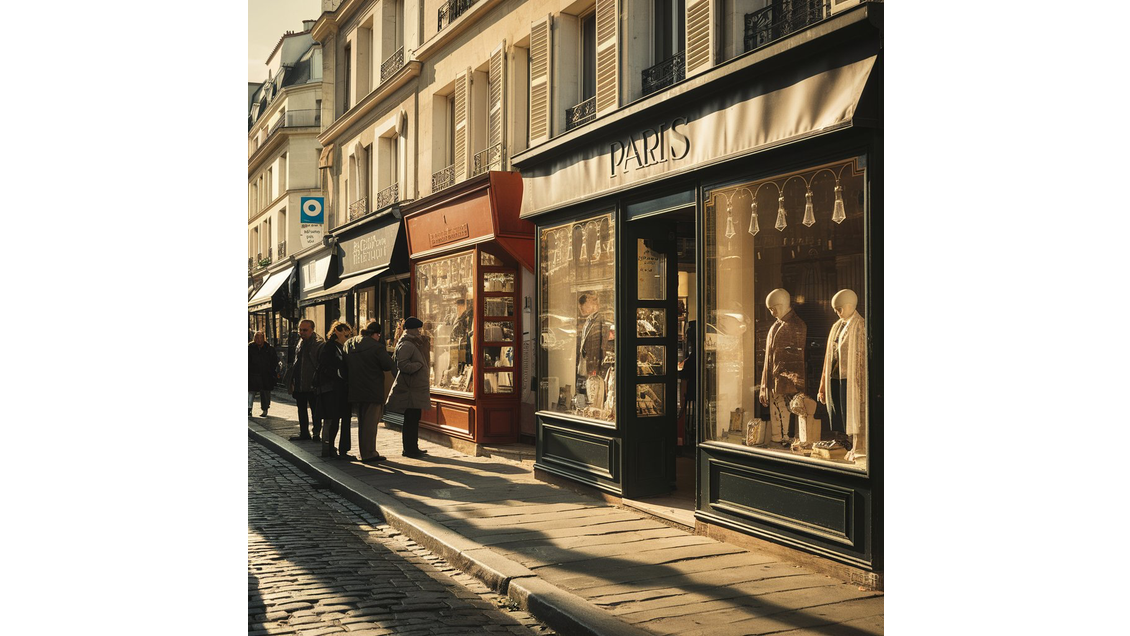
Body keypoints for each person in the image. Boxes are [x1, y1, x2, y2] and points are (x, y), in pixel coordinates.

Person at [818, 289, 867, 461]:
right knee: (837, 412)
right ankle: (845, 444)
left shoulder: (860, 326)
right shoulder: (836, 327)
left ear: (850, 305)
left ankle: (855, 447)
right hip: (835, 377)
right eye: (835, 309)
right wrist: (823, 385)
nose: (837, 312)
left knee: (851, 413)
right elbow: (827, 357)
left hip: (851, 378)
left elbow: (862, 357)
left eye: (839, 308)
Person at [758, 288, 807, 447]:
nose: (772, 312)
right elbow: (769, 358)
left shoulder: (797, 325)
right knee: (777, 412)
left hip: (787, 381)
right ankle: (778, 438)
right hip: (775, 379)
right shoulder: (776, 326)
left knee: (787, 412)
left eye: (773, 308)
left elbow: (797, 357)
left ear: (783, 304)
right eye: (770, 309)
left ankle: (786, 438)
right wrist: (765, 383)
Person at [345, 321, 396, 465]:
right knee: (370, 423)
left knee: (362, 421)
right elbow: (387, 365)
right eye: (378, 335)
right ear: (375, 334)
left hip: (354, 388)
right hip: (372, 388)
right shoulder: (376, 347)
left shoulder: (350, 343)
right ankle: (368, 453)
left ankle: (364, 451)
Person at [385, 316, 431, 458]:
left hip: (415, 388)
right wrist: (419, 365)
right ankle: (409, 449)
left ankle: (413, 446)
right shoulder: (406, 344)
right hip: (410, 389)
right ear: (410, 330)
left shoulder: (414, 342)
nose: (419, 331)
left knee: (414, 418)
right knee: (410, 419)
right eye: (417, 329)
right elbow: (402, 365)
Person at [282, 319, 324, 441]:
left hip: (312, 384)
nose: (302, 332)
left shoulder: (318, 343)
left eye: (305, 330)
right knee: (301, 409)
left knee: (315, 411)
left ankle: (316, 433)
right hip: (300, 383)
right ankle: (304, 432)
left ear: (312, 330)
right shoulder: (300, 341)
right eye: (300, 329)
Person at [317, 321, 353, 459]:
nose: (348, 337)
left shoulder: (341, 347)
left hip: (340, 390)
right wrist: (339, 374)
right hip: (332, 391)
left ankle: (341, 449)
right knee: (332, 420)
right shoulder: (330, 347)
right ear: (338, 332)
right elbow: (325, 366)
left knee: (341, 419)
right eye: (346, 334)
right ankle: (329, 448)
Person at [575, 292, 609, 401]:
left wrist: (601, 360)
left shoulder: (600, 318)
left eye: (583, 304)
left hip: (596, 361)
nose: (580, 308)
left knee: (597, 390)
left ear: (590, 302)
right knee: (591, 389)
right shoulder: (589, 319)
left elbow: (604, 341)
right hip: (589, 362)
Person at [247, 330, 277, 417]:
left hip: (265, 374)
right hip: (253, 373)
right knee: (251, 391)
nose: (258, 340)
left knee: (265, 392)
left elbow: (274, 361)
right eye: (256, 337)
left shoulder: (269, 349)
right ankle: (248, 409)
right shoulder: (250, 348)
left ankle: (265, 409)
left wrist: (271, 371)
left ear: (263, 339)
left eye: (260, 338)